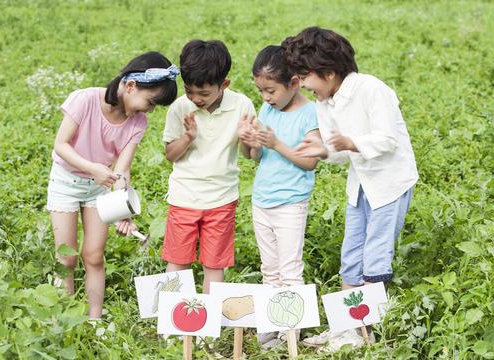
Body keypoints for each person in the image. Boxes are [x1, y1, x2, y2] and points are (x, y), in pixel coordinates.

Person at [284, 27, 419, 351]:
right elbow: (341, 153)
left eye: (306, 76)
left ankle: (368, 333)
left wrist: (351, 141)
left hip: (389, 185)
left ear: (329, 73)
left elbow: (387, 140)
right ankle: (347, 329)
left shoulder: (372, 90)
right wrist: (323, 150)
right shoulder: (325, 101)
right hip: (360, 186)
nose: (303, 84)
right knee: (351, 257)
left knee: (374, 259)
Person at [47, 52, 178, 319]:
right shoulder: (85, 99)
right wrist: (92, 168)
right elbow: (60, 146)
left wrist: (123, 210)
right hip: (66, 182)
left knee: (94, 256)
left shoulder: (138, 122)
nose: (150, 110)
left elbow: (122, 169)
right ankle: (65, 318)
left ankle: (94, 319)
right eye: (150, 102)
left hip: (99, 187)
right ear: (130, 86)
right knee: (67, 257)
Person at [238, 45, 321, 348]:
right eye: (260, 91)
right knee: (269, 270)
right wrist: (248, 141)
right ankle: (271, 328)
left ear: (295, 83)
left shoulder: (309, 112)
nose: (266, 98)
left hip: (290, 204)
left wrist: (276, 142)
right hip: (262, 200)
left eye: (270, 90)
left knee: (289, 270)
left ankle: (291, 335)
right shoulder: (267, 110)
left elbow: (310, 160)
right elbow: (255, 156)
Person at [161, 40, 256, 295]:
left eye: (203, 94)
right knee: (177, 260)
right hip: (184, 197)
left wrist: (248, 139)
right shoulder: (180, 107)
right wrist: (187, 138)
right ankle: (174, 325)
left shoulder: (242, 105)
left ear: (224, 84)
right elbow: (171, 154)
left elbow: (250, 155)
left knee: (215, 264)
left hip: (222, 198)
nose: (195, 99)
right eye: (190, 91)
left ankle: (209, 325)